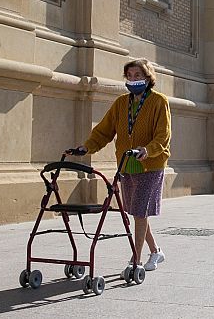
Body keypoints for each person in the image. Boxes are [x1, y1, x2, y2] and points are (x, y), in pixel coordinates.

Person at [70, 59, 171, 272]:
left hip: (150, 165)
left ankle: (136, 260)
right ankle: (156, 252)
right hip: (126, 165)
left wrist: (148, 150)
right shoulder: (121, 103)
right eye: (130, 76)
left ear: (148, 78)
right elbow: (104, 130)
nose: (133, 79)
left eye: (138, 76)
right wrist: (86, 148)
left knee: (140, 212)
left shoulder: (159, 101)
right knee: (137, 212)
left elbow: (163, 134)